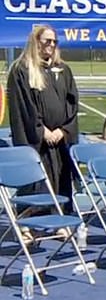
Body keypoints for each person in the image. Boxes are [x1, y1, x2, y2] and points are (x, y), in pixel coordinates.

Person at [7, 25, 78, 215]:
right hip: (36, 140)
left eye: (55, 41)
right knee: (36, 183)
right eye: (47, 41)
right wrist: (41, 130)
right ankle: (28, 224)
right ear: (36, 42)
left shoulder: (63, 69)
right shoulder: (22, 70)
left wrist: (63, 130)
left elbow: (72, 103)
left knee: (60, 181)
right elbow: (23, 106)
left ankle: (59, 219)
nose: (51, 45)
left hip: (59, 139)